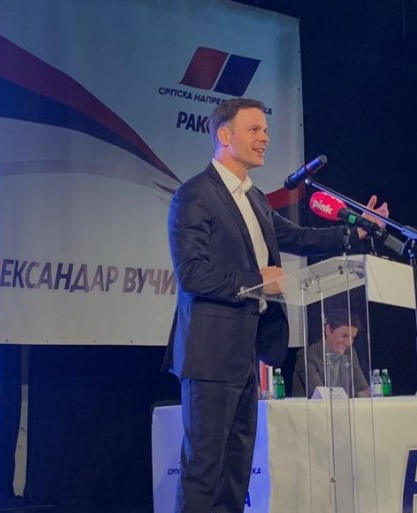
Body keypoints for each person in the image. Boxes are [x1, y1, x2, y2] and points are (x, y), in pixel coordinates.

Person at [163, 97, 388, 513]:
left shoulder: (255, 199)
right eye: (254, 129)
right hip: (210, 355)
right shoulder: (195, 195)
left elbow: (298, 237)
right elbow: (192, 274)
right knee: (204, 470)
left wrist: (355, 232)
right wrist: (256, 280)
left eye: (266, 130)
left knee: (236, 470)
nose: (264, 138)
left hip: (247, 354)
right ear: (224, 135)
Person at [292, 309, 371, 398]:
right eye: (344, 336)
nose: (349, 343)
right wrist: (358, 395)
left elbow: (364, 390)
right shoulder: (307, 356)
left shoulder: (350, 352)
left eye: (352, 338)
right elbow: (321, 395)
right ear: (328, 330)